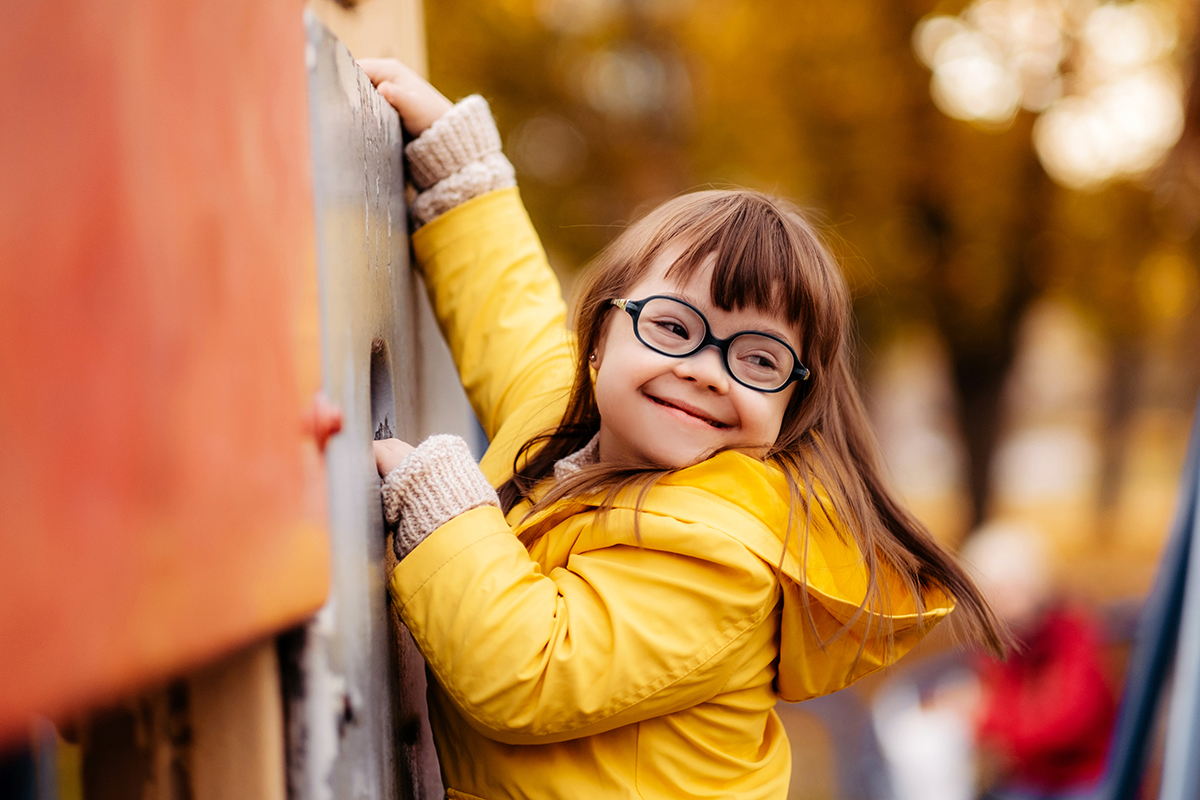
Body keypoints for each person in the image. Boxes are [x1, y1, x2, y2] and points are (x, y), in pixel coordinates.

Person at [357, 59, 1009, 799]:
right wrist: (464, 178)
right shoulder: (565, 418)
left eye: (757, 358)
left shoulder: (724, 554)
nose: (706, 370)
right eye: (676, 326)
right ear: (602, 333)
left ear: (790, 410)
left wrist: (444, 509)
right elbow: (511, 316)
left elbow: (527, 670)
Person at [963, 522, 1116, 800]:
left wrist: (983, 715)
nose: (999, 604)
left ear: (1036, 586)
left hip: (1085, 778)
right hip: (1033, 779)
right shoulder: (1004, 644)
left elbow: (1067, 722)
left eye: (1007, 590)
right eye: (990, 594)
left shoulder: (1072, 636)